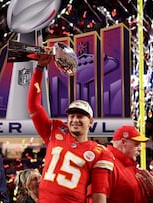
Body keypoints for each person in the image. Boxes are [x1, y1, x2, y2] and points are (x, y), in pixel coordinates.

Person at [27, 54, 114, 202]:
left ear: (90, 121)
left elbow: (99, 195)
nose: (75, 120)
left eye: (80, 116)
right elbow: (33, 105)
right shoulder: (54, 130)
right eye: (71, 116)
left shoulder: (99, 152)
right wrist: (40, 68)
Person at [103, 125, 150, 202]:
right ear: (123, 142)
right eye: (136, 145)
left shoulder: (128, 165)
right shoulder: (107, 165)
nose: (140, 149)